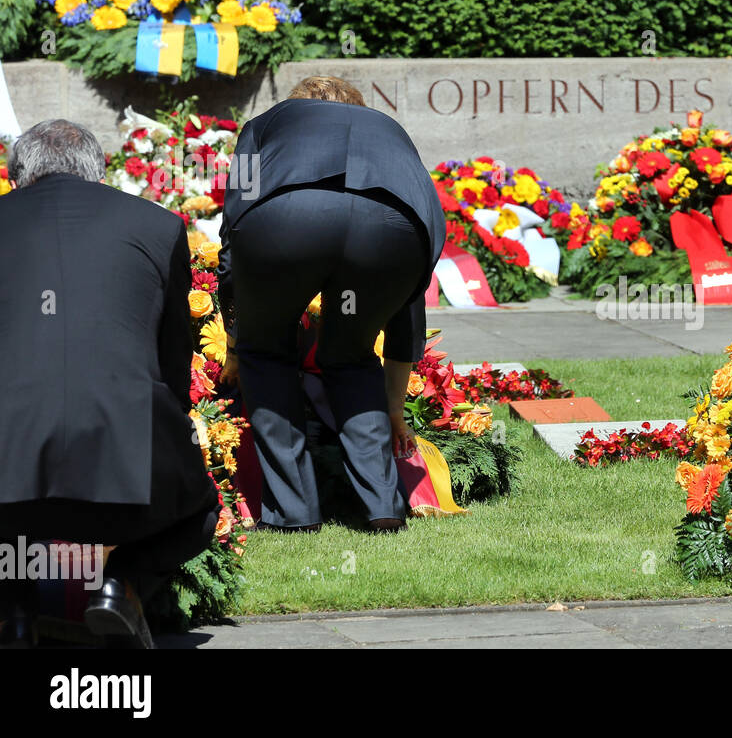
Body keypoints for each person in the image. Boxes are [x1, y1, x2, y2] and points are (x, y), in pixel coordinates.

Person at [0, 120, 219, 649]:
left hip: (7, 456)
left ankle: (13, 612)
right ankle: (121, 587)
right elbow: (173, 358)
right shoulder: (159, 225)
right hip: (127, 454)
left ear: (16, 176)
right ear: (99, 173)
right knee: (199, 511)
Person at [220, 77, 444, 533]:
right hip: (394, 231)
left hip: (286, 220)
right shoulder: (389, 134)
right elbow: (407, 306)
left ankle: (294, 513)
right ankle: (383, 508)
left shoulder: (265, 125)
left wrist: (237, 340)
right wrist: (395, 405)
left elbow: (234, 228)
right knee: (351, 356)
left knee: (267, 354)